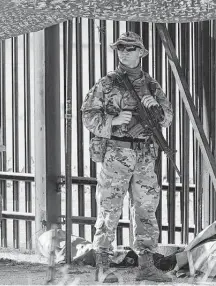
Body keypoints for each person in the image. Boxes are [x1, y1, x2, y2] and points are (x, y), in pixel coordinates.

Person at [81, 31, 173, 283]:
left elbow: (167, 118)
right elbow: (88, 115)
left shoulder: (152, 85)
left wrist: (154, 108)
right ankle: (102, 265)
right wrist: (112, 121)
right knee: (109, 207)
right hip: (116, 152)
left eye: (130, 48)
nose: (124, 52)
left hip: (144, 154)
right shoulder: (108, 83)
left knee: (145, 208)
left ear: (141, 53)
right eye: (120, 48)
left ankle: (146, 265)